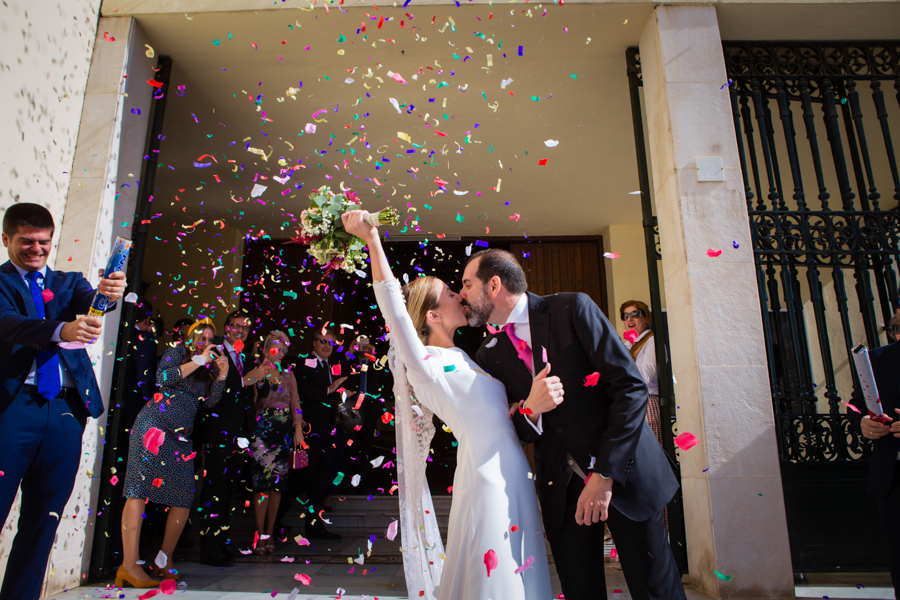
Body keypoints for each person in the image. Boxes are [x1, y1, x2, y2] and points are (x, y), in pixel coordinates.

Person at [342, 210, 553, 600]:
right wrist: (372, 241)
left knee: (520, 569)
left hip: (513, 472)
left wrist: (524, 407)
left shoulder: (468, 358)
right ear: (433, 315)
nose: (462, 295)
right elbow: (393, 308)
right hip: (486, 477)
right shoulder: (427, 365)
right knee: (497, 575)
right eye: (452, 294)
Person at [460, 249, 685, 600]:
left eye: (467, 284)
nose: (462, 295)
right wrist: (530, 411)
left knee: (657, 591)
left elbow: (629, 388)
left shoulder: (571, 308)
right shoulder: (488, 354)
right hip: (561, 492)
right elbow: (513, 430)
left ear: (493, 285)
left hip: (625, 476)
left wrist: (604, 474)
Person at [0, 203, 127, 600]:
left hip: (66, 412)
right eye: (26, 242)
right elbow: (9, 325)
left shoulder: (68, 281)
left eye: (43, 242)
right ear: (6, 240)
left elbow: (93, 306)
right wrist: (61, 329)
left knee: (44, 517)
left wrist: (109, 293)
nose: (36, 249)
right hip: (13, 408)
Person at [118, 319, 228, 587]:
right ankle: (129, 565)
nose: (205, 342)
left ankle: (163, 560)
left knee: (182, 497)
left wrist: (222, 375)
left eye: (210, 339)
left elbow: (207, 403)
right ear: (189, 337)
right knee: (138, 492)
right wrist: (199, 361)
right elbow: (162, 378)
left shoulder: (206, 370)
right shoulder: (176, 353)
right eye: (200, 337)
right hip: (153, 428)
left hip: (180, 438)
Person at [197, 309, 271, 566]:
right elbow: (214, 389)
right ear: (226, 327)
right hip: (220, 430)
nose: (241, 331)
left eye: (245, 328)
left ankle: (222, 541)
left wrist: (261, 379)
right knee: (215, 488)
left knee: (229, 490)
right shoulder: (215, 352)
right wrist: (246, 379)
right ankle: (209, 548)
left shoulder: (246, 358)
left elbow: (262, 390)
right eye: (236, 326)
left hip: (242, 432)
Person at [275, 326, 347, 540]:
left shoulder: (331, 365)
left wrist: (342, 395)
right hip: (307, 430)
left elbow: (329, 395)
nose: (327, 346)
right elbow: (302, 393)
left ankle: (315, 527)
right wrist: (330, 390)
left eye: (330, 342)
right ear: (314, 343)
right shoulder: (302, 362)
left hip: (327, 430)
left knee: (321, 478)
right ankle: (273, 519)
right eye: (323, 341)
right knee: (301, 476)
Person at [850, 323, 900, 598]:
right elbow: (856, 404)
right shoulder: (877, 360)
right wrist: (861, 422)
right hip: (892, 478)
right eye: (897, 326)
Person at [249, 330, 304, 554]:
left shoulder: (289, 375)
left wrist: (298, 431)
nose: (280, 353)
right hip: (262, 431)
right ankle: (259, 533)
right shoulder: (256, 373)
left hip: (283, 434)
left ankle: (269, 533)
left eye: (283, 350)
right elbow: (251, 401)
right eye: (275, 349)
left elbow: (295, 404)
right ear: (264, 350)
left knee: (277, 486)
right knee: (261, 485)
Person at [619, 301, 663, 447]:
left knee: (651, 450)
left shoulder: (652, 341)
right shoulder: (626, 345)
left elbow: (646, 375)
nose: (629, 319)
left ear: (646, 318)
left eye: (635, 315)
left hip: (647, 402)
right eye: (625, 316)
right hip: (630, 403)